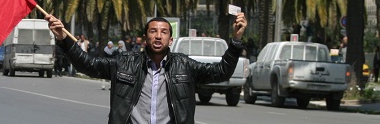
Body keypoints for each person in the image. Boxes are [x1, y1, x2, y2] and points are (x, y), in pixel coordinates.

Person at [45, 12, 246, 124]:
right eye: (153, 31)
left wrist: (236, 40)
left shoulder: (185, 66)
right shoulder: (124, 62)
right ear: (145, 38)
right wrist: (63, 39)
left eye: (164, 32)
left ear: (170, 39)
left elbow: (222, 72)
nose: (158, 36)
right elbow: (88, 64)